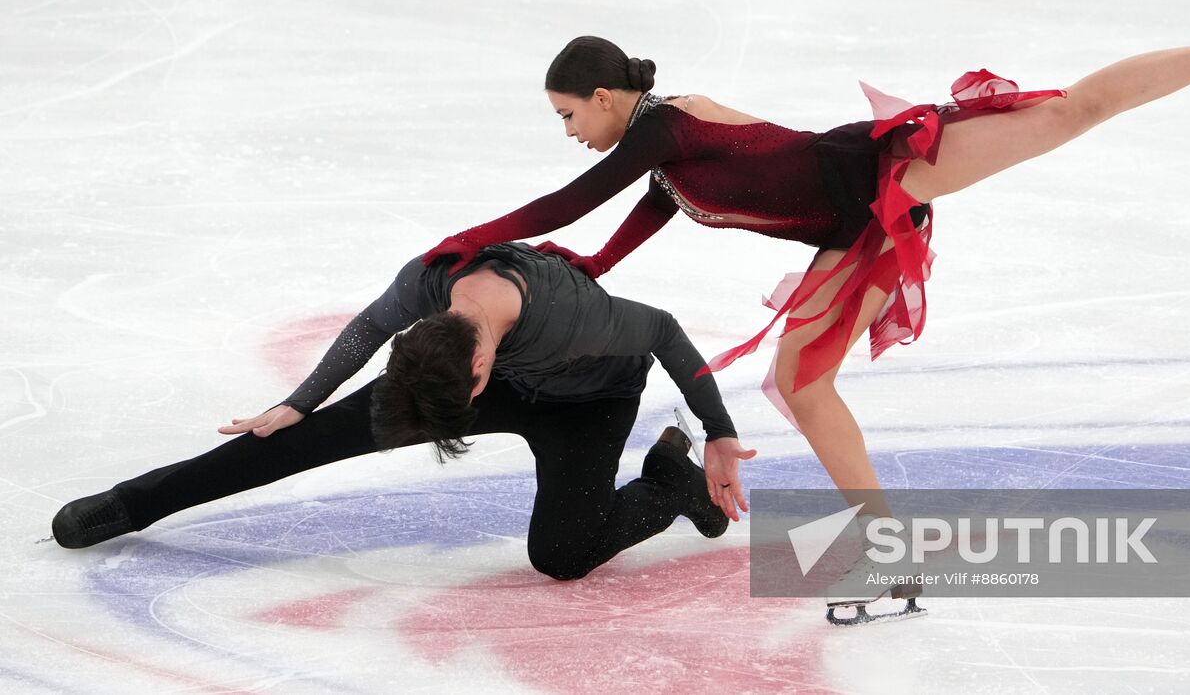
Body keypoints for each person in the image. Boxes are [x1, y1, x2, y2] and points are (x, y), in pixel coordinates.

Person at [421, 11, 1190, 505]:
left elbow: (569, 202)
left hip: (884, 170)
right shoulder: (666, 157)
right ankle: (887, 550)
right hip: (852, 232)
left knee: (1067, 113)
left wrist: (464, 242)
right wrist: (590, 267)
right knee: (800, 383)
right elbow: (643, 212)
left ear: (604, 97)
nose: (569, 132)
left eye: (568, 115)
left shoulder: (662, 128)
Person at [52, 242, 757, 583]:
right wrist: (299, 403)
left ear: (477, 376)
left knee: (563, 557)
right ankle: (131, 503)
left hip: (590, 402)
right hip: (489, 375)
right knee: (301, 438)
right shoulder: (432, 287)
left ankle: (669, 484)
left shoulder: (570, 319)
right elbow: (367, 327)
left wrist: (719, 431)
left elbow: (663, 330)